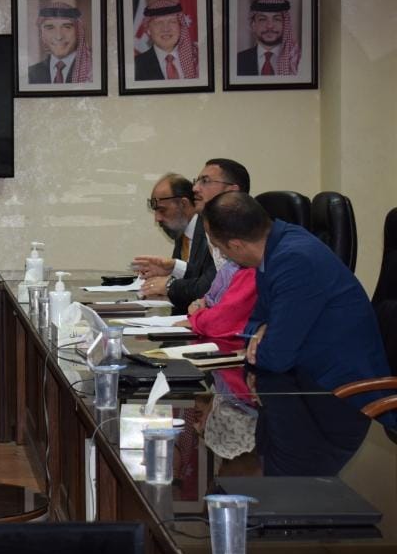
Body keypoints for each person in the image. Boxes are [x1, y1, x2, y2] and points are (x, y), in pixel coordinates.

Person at [202, 192, 391, 422]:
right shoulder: (273, 249)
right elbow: (252, 324)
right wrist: (261, 329)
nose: (221, 254)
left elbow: (275, 357)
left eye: (219, 247)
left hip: (343, 401)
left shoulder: (294, 260)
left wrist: (263, 338)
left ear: (236, 245)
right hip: (306, 388)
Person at [134, 173, 215, 314]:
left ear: (183, 204)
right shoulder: (181, 231)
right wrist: (173, 270)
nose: (157, 218)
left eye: (162, 210)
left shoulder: (210, 231)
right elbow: (193, 277)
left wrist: (169, 284)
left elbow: (207, 286)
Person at [133, 0, 199, 81]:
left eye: (172, 22)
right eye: (158, 23)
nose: (166, 29)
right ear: (148, 30)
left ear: (180, 27)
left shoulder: (197, 58)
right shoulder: (136, 65)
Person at [28, 1, 93, 85]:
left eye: (67, 27)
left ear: (78, 32)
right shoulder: (30, 74)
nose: (59, 37)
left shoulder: (92, 71)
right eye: (50, 28)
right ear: (42, 34)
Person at [237, 0, 300, 77]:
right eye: (262, 19)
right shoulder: (237, 60)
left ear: (285, 25)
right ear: (253, 25)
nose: (270, 26)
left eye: (276, 19)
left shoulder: (297, 60)